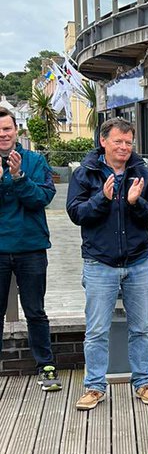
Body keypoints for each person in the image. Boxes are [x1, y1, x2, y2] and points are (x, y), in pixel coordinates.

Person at [66, 118, 148, 410]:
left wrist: (136, 203)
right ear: (103, 141)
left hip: (138, 261)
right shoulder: (85, 174)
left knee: (141, 328)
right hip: (99, 263)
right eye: (118, 141)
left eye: (128, 142)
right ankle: (94, 387)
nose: (124, 147)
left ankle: (143, 382)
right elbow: (76, 213)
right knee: (96, 329)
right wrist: (102, 199)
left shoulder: (144, 173)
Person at [0, 107, 60, 391]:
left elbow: (42, 198)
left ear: (16, 131)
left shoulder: (35, 161)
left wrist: (19, 176)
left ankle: (45, 366)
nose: (3, 134)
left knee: (35, 310)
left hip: (31, 248)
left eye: (7, 129)